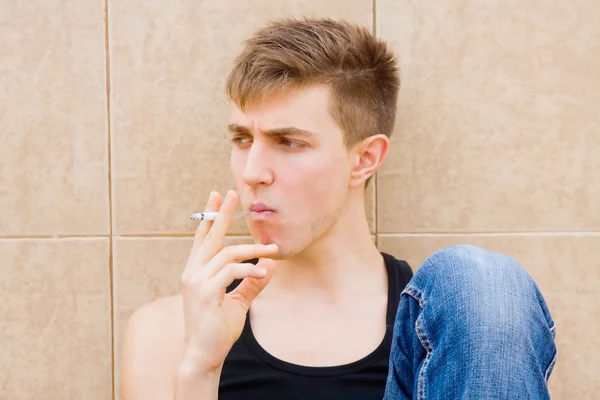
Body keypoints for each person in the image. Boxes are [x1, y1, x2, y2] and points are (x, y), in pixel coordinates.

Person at [120, 17, 558, 399]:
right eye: (242, 140)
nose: (252, 172)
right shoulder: (165, 333)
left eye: (289, 142)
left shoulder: (452, 326)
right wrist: (201, 365)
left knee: (481, 280)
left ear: (364, 159)